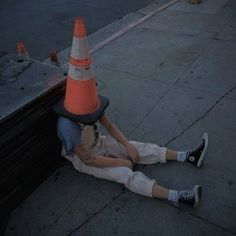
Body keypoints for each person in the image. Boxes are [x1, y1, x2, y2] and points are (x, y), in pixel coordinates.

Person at [54, 96, 208, 207]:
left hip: (98, 141)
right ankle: (177, 197)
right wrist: (122, 162)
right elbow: (88, 159)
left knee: (138, 147)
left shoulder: (89, 101)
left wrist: (128, 146)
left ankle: (188, 156)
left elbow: (109, 126)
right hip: (84, 158)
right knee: (124, 174)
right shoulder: (67, 127)